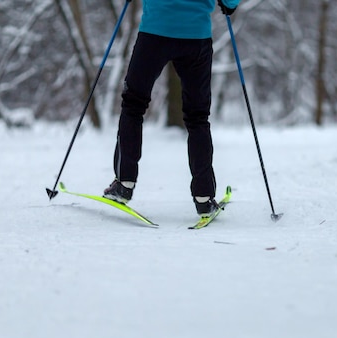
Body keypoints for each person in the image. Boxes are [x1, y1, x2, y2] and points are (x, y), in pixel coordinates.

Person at [103, 0, 240, 218]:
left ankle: (124, 182)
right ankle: (204, 197)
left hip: (155, 32)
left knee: (133, 105)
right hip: (196, 37)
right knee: (197, 117)